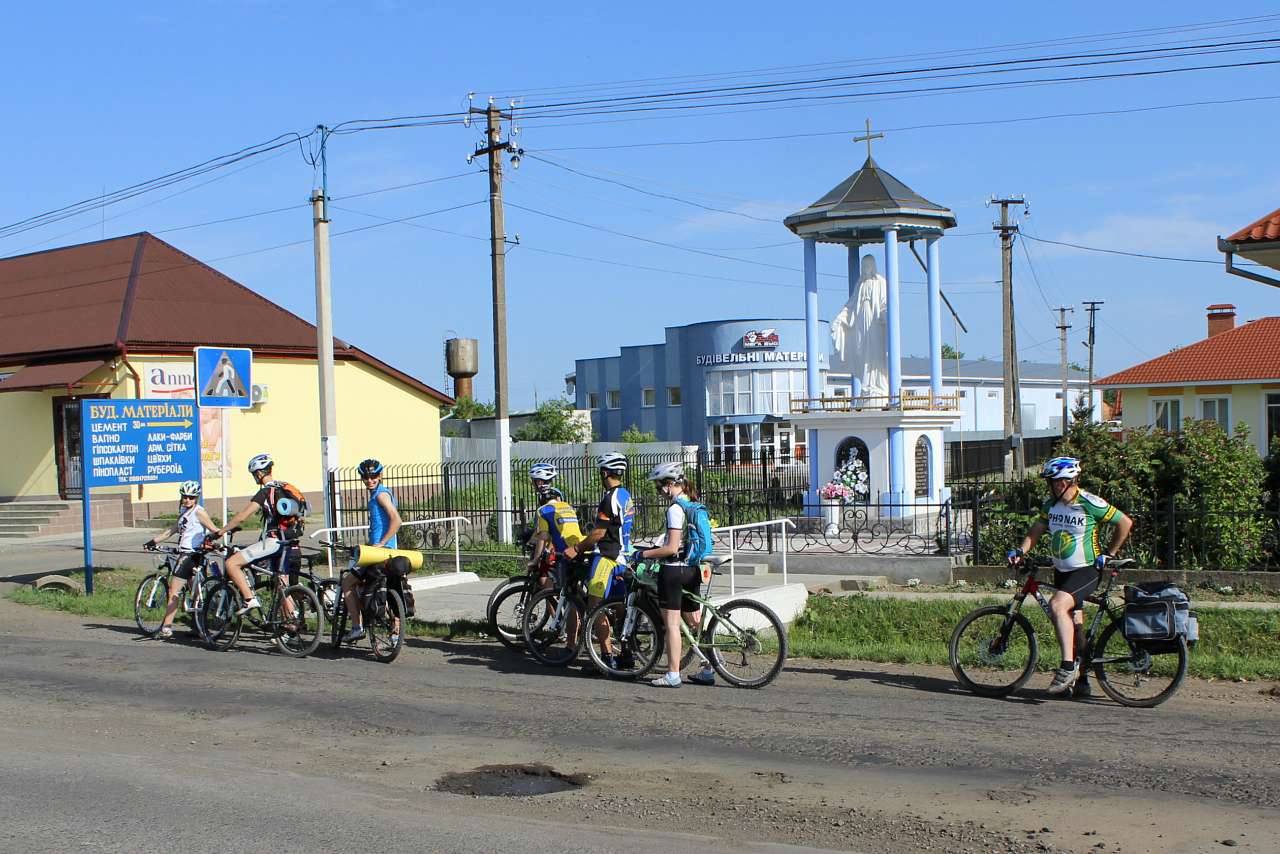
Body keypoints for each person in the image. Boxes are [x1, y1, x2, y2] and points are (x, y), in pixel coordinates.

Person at [1010, 456, 1132, 697]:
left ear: (1067, 481)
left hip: (1086, 571)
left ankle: (1067, 668)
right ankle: (1081, 681)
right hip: (1062, 572)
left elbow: (1125, 523)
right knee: (1073, 627)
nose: (1052, 486)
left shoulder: (1089, 502)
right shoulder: (1051, 505)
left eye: (1055, 482)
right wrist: (1021, 551)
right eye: (1051, 482)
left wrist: (1109, 554)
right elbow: (1036, 530)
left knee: (1057, 606)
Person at [634, 462, 717, 688]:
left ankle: (672, 674)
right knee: (694, 623)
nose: (658, 492)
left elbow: (671, 548)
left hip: (674, 570)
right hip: (693, 568)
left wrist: (644, 554)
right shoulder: (692, 503)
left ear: (669, 485)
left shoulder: (675, 509)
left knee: (671, 624)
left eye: (658, 487)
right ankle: (709, 667)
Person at [561, 452, 633, 667]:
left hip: (607, 558)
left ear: (604, 473)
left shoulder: (609, 499)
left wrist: (577, 548)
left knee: (595, 607)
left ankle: (606, 657)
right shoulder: (625, 495)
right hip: (624, 557)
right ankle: (627, 654)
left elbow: (600, 533)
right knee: (619, 608)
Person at [215, 453, 305, 616]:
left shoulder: (265, 492)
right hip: (290, 541)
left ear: (258, 473)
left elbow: (242, 516)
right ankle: (292, 621)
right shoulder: (285, 487)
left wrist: (220, 532)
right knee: (281, 584)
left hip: (273, 542)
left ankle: (249, 599)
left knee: (231, 563)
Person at [144, 480, 219, 639]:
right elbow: (171, 531)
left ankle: (166, 627)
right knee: (195, 593)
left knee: (174, 591)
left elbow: (214, 530)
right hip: (188, 554)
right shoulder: (185, 512)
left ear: (196, 498)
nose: (187, 500)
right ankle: (198, 627)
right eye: (185, 496)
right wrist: (153, 541)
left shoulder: (199, 512)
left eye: (191, 497)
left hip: (190, 555)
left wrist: (212, 541)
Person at [341, 459, 404, 643]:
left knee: (347, 584)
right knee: (389, 587)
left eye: (373, 476)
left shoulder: (380, 495)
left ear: (380, 475)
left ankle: (356, 628)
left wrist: (380, 543)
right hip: (388, 552)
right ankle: (395, 632)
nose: (369, 480)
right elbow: (380, 526)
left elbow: (397, 520)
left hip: (380, 552)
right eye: (366, 477)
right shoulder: (382, 493)